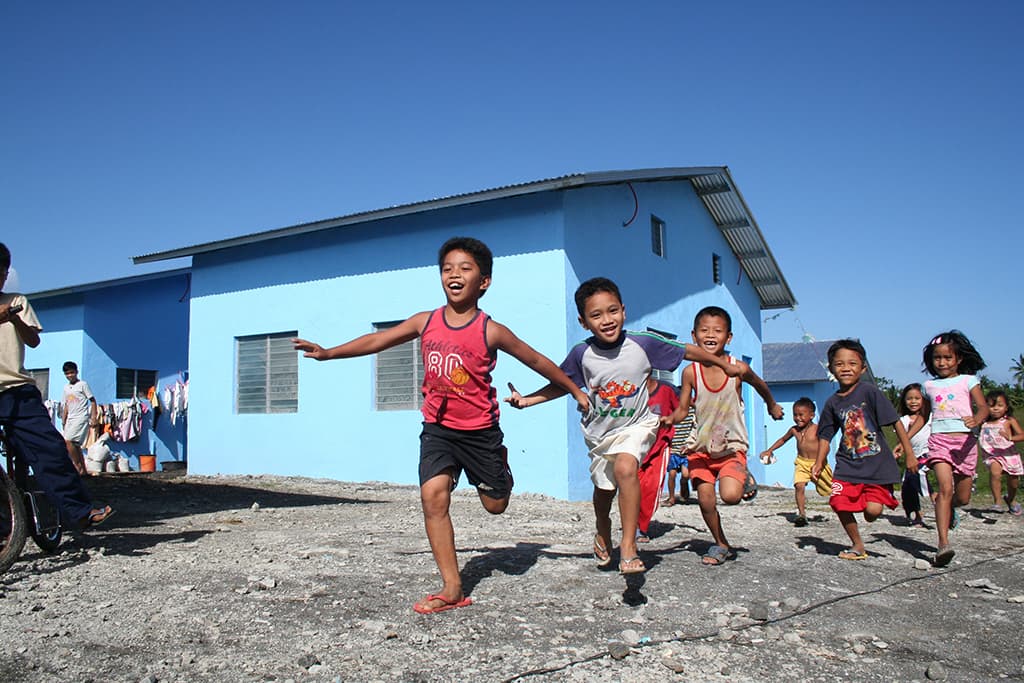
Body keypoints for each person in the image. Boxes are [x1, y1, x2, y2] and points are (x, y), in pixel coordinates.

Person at [292, 237, 589, 615]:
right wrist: (330, 352)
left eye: (465, 268)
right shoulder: (426, 321)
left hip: (480, 433)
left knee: (495, 506)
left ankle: (500, 473)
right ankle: (452, 587)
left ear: (484, 282)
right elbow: (380, 339)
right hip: (438, 429)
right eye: (447, 268)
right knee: (432, 496)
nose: (454, 274)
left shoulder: (491, 330)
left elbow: (537, 361)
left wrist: (574, 391)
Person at [508, 278, 742, 574]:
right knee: (604, 491)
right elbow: (561, 383)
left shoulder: (643, 344)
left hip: (638, 425)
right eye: (596, 315)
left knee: (626, 467)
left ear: (623, 310)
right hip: (599, 434)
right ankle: (602, 528)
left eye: (612, 311)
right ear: (583, 322)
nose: (607, 320)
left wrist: (723, 364)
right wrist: (528, 400)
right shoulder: (582, 354)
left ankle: (629, 545)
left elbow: (687, 351)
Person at [0, 243, 113, 529]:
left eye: (1, 273)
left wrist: (13, 318)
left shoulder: (16, 301)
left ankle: (80, 511)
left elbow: (33, 340)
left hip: (16, 390)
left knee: (50, 448)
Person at [664, 306, 784, 566]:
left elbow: (759, 384)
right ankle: (720, 544)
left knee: (730, 496)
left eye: (717, 331)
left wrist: (772, 405)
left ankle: (743, 474)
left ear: (728, 337)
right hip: (700, 449)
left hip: (730, 447)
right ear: (694, 336)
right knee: (706, 501)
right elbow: (683, 409)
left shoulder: (737, 368)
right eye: (704, 330)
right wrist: (669, 419)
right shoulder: (690, 372)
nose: (710, 335)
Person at [811, 340, 915, 561]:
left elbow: (895, 422)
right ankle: (857, 545)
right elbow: (825, 436)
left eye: (852, 363)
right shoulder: (832, 403)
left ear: (863, 368)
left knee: (872, 512)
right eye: (839, 364)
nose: (846, 368)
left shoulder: (870, 392)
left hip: (877, 466)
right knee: (838, 502)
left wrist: (910, 454)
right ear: (831, 369)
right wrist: (819, 462)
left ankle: (873, 507)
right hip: (847, 465)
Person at [921, 330, 988, 567]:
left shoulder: (969, 381)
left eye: (947, 358)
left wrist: (976, 419)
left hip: (966, 443)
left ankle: (949, 507)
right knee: (945, 488)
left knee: (962, 497)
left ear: (958, 359)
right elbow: (923, 417)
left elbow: (983, 407)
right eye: (937, 358)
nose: (942, 362)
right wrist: (905, 440)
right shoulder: (928, 386)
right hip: (939, 441)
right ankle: (943, 544)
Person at [760, 396, 831, 527]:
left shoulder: (818, 429)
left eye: (801, 415)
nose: (798, 418)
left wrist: (819, 462)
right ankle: (802, 515)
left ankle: (846, 504)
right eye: (795, 415)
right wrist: (769, 450)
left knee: (829, 490)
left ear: (811, 415)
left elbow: (826, 446)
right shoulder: (794, 430)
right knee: (799, 485)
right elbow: (782, 440)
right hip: (801, 463)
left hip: (818, 463)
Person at [636, 376, 679, 543]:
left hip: (660, 446)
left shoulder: (667, 390)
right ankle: (631, 523)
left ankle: (641, 527)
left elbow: (684, 407)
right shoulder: (629, 391)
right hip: (635, 446)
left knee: (651, 488)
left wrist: (671, 419)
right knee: (633, 486)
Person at [892, 383, 932, 527]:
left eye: (917, 398)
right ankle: (915, 514)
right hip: (913, 456)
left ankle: (937, 501)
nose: (913, 402)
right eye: (909, 399)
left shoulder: (930, 418)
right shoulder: (902, 421)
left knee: (919, 475)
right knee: (907, 485)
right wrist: (900, 451)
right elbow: (902, 441)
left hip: (928, 454)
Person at [979, 390, 1023, 515]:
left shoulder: (1008, 420)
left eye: (1000, 405)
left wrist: (1011, 437)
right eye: (991, 406)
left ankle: (1011, 499)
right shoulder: (983, 422)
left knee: (1013, 481)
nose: (995, 409)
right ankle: (997, 502)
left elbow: (1022, 435)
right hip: (993, 454)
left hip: (1009, 454)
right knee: (995, 473)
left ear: (1006, 407)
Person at [61, 360, 97, 476]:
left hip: (81, 417)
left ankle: (77, 466)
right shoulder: (66, 388)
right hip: (70, 418)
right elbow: (66, 404)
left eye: (72, 372)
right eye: (67, 373)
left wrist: (94, 417)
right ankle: (83, 471)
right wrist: (64, 418)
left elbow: (92, 401)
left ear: (76, 372)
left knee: (68, 441)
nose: (70, 375)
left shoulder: (82, 384)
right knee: (75, 445)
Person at [663, 406, 694, 506]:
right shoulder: (671, 410)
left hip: (686, 449)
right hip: (673, 449)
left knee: (686, 475)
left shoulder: (691, 410)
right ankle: (671, 498)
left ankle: (683, 484)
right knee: (672, 474)